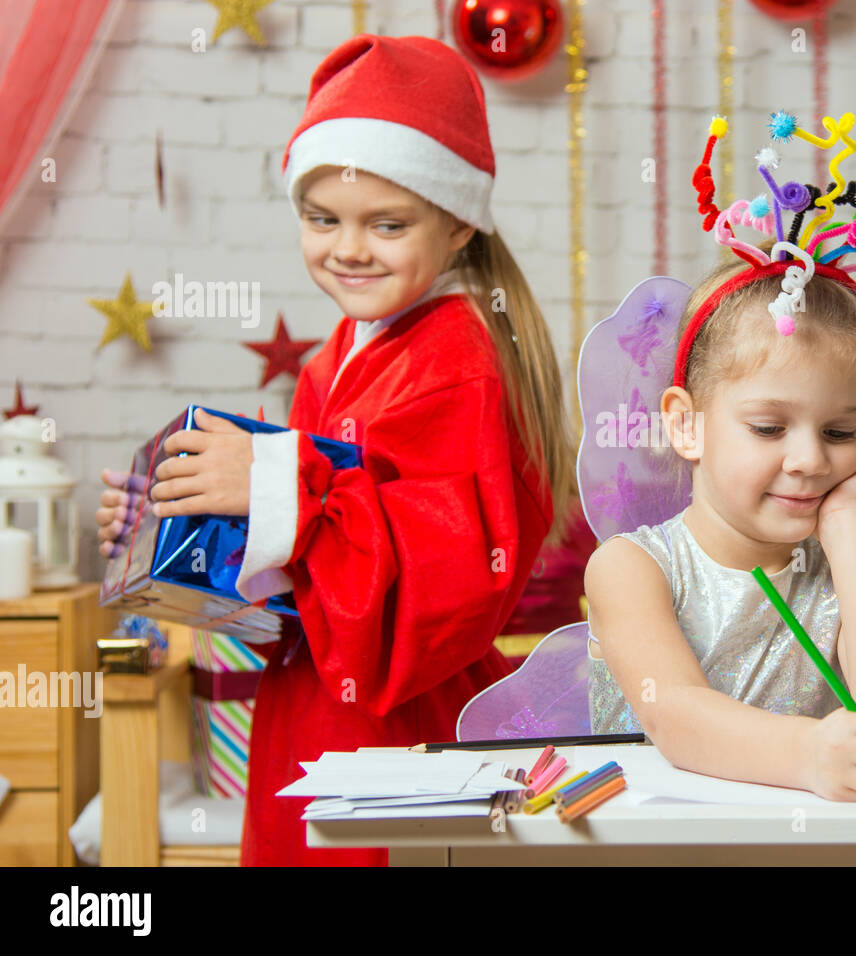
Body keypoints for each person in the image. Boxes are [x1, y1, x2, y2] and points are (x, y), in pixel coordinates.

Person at [95, 34, 574, 865]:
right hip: (313, 713)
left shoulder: (458, 360)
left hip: (390, 732)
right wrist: (171, 524)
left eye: (387, 224)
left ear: (460, 223)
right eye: (323, 220)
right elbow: (301, 582)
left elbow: (448, 578)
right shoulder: (342, 352)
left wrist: (276, 482)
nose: (348, 248)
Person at [583, 111, 856, 804]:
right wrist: (809, 754)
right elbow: (677, 715)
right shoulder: (633, 568)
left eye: (839, 432)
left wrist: (849, 526)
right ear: (687, 425)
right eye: (769, 428)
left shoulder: (842, 574)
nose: (809, 460)